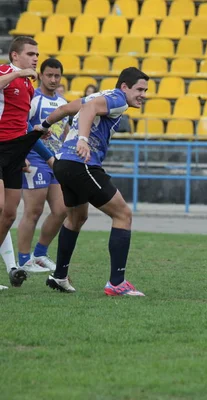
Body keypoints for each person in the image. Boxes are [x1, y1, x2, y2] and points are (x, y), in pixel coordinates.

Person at [33, 67, 149, 296]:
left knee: (76, 218)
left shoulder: (100, 95)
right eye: (140, 89)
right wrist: (83, 140)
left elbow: (66, 108)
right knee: (123, 215)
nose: (143, 94)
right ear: (124, 87)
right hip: (81, 164)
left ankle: (59, 276)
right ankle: (117, 283)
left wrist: (43, 126)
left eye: (145, 90)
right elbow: (88, 109)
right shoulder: (117, 99)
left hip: (63, 164)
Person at [15, 58, 69, 273]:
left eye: (57, 76)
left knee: (61, 209)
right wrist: (21, 156)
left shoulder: (62, 102)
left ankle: (39, 253)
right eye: (49, 75)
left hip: (55, 160)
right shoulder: (33, 98)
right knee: (33, 211)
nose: (53, 79)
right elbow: (21, 125)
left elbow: (63, 133)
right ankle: (24, 260)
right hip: (35, 158)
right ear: (41, 75)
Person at [0, 36, 45, 288]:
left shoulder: (28, 86)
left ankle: (9, 266)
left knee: (9, 215)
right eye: (30, 53)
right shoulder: (6, 72)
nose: (35, 58)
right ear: (15, 56)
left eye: (37, 54)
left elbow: (19, 122)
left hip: (15, 153)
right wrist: (18, 74)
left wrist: (30, 140)